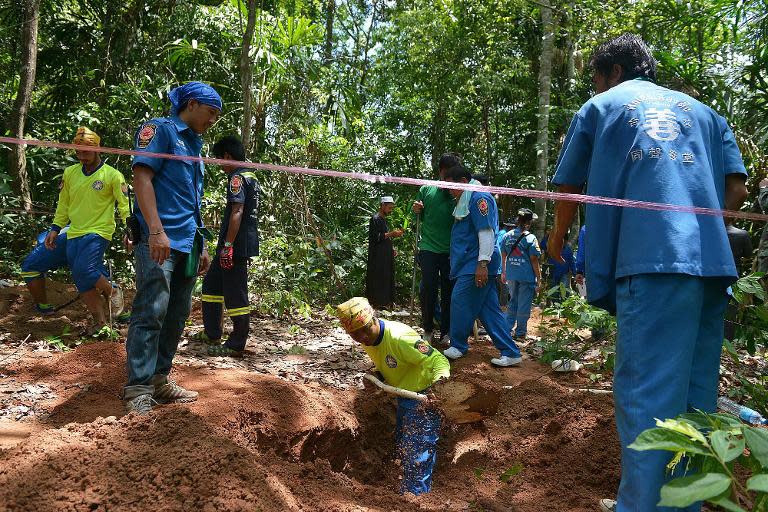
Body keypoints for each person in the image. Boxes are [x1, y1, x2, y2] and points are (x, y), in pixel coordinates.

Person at [546, 34, 748, 512]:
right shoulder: (705, 114)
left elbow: (570, 185)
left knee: (648, 398)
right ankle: (684, 504)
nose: (595, 86)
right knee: (696, 400)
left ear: (613, 72)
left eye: (597, 77)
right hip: (710, 267)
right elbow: (735, 188)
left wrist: (557, 240)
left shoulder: (602, 107)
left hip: (651, 261)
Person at [123, 81, 222, 415]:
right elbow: (142, 178)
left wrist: (203, 243)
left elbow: (192, 199)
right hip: (160, 240)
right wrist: (155, 231)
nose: (213, 121)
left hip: (188, 242)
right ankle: (137, 387)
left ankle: (158, 379)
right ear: (192, 104)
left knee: (177, 314)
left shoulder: (194, 144)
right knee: (151, 310)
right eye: (211, 113)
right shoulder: (160, 130)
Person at [335, 296, 449, 495]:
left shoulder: (399, 338)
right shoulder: (367, 338)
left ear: (373, 319)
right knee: (403, 446)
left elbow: (439, 360)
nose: (362, 337)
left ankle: (415, 500)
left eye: (364, 330)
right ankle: (401, 492)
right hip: (405, 395)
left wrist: (439, 388)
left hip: (424, 397)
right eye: (355, 334)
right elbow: (391, 362)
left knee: (417, 453)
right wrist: (377, 375)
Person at [20, 127, 128, 332]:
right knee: (81, 279)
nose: (82, 156)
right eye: (78, 152)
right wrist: (55, 228)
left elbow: (124, 206)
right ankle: (101, 324)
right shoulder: (70, 173)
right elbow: (64, 204)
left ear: (97, 149)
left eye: (86, 152)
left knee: (84, 269)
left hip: (99, 231)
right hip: (74, 231)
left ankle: (112, 291)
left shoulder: (112, 175)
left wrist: (130, 230)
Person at [441, 164, 522, 367]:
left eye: (450, 185)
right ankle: (510, 352)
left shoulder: (479, 198)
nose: (449, 190)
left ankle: (458, 346)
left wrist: (482, 264)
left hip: (476, 263)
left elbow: (486, 232)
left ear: (462, 182)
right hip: (470, 263)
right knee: (489, 310)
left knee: (459, 300)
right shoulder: (467, 199)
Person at [195, 136, 260, 357]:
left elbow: (237, 211)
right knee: (212, 285)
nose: (218, 163)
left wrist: (229, 245)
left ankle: (237, 342)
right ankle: (212, 332)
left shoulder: (237, 179)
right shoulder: (249, 175)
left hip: (236, 245)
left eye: (218, 159)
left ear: (227, 157)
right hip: (234, 242)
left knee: (235, 292)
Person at [412, 153, 460, 343]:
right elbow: (417, 214)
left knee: (449, 291)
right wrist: (416, 208)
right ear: (441, 172)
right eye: (448, 173)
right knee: (428, 289)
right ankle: (428, 329)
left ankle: (446, 332)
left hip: (450, 251)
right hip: (428, 248)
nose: (450, 178)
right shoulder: (426, 189)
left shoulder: (458, 192)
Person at [501, 209, 542, 340]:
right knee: (524, 304)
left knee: (513, 301)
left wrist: (503, 271)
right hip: (526, 276)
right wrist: (539, 278)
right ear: (529, 222)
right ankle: (520, 333)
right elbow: (534, 260)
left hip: (511, 275)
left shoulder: (507, 236)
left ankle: (506, 330)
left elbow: (503, 255)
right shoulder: (531, 238)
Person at [366, 196, 402, 309]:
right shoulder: (375, 219)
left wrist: (391, 249)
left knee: (387, 277)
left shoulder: (383, 219)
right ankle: (377, 302)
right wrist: (392, 234)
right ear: (382, 206)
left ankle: (386, 302)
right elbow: (376, 237)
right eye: (389, 208)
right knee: (378, 277)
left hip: (386, 255)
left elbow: (385, 237)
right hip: (378, 256)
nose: (390, 210)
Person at [540, 230, 576, 301]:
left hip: (564, 274)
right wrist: (548, 236)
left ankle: (564, 306)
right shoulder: (551, 247)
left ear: (566, 241)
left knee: (565, 290)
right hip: (552, 273)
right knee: (553, 292)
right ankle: (555, 306)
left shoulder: (568, 249)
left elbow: (572, 262)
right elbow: (542, 245)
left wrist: (575, 274)